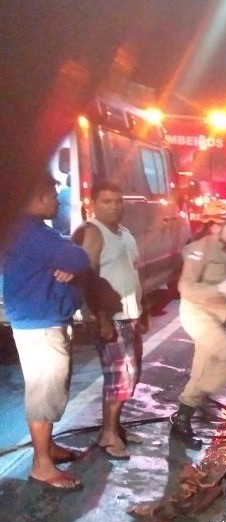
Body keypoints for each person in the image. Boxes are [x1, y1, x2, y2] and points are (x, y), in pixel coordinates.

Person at [2, 173, 92, 491]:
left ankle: (48, 449)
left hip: (42, 320)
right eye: (53, 195)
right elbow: (79, 257)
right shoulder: (31, 233)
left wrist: (71, 263)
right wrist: (71, 261)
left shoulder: (35, 231)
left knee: (52, 391)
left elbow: (74, 260)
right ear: (37, 198)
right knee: (44, 394)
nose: (58, 200)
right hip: (40, 325)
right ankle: (42, 465)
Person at [170, 200, 226, 449]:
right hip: (198, 314)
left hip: (218, 318)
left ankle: (182, 420)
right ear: (215, 226)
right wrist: (219, 288)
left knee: (201, 370)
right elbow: (186, 287)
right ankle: (195, 399)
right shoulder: (199, 249)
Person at [74, 181, 145, 460]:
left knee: (131, 375)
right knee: (119, 377)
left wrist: (144, 310)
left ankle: (116, 427)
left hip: (130, 315)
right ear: (93, 203)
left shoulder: (124, 233)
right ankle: (108, 435)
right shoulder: (93, 232)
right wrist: (101, 318)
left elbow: (132, 271)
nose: (115, 206)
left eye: (119, 200)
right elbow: (88, 278)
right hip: (111, 318)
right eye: (107, 201)